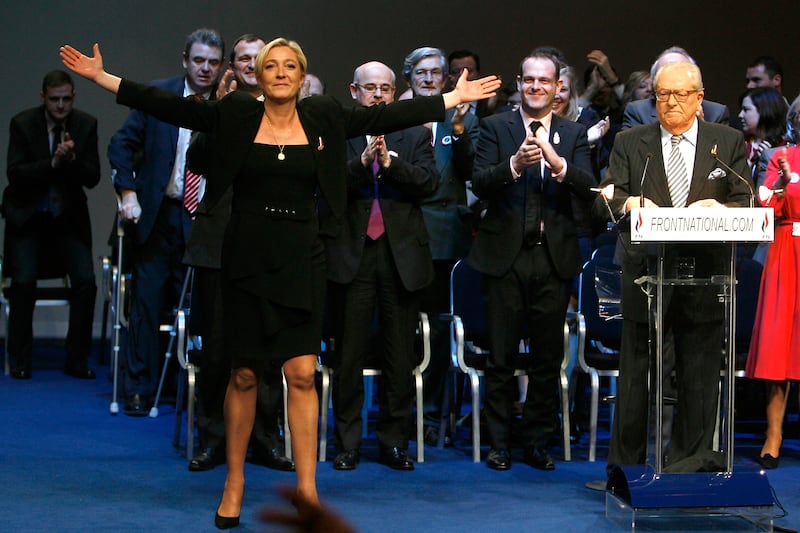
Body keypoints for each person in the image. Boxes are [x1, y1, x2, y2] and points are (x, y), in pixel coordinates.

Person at [60, 37, 499, 527]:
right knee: (245, 374)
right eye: (272, 66)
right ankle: (234, 481)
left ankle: (307, 490)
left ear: (301, 74)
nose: (282, 73)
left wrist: (454, 99)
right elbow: (166, 104)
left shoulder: (325, 116)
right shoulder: (235, 116)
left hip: (304, 256)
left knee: (303, 374)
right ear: (261, 75)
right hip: (246, 256)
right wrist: (102, 78)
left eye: (291, 66)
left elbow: (384, 118)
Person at [595, 61, 751, 473]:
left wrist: (721, 207)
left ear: (700, 98)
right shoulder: (631, 142)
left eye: (681, 94)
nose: (671, 103)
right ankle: (625, 470)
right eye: (663, 94)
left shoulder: (728, 142)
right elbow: (606, 196)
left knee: (700, 378)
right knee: (636, 380)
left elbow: (747, 200)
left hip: (706, 278)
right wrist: (628, 203)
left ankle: (690, 465)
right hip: (647, 276)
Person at [467, 47, 595, 471]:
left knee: (546, 360)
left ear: (559, 86)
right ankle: (499, 444)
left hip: (552, 259)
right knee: (501, 359)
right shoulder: (494, 127)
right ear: (518, 84)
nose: (536, 87)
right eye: (529, 80)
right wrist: (514, 165)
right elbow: (480, 184)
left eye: (545, 80)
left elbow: (590, 190)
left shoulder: (574, 134)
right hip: (504, 258)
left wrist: (559, 165)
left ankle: (537, 442)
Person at [184, 33, 293, 474]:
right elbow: (197, 160)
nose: (252, 65)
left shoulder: (288, 109)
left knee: (267, 351)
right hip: (219, 244)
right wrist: (218, 116)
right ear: (234, 65)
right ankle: (212, 438)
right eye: (244, 59)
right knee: (218, 350)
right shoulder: (221, 107)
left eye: (260, 59)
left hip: (272, 245)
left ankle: (265, 439)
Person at [107, 28, 225, 416]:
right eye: (198, 61)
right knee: (147, 300)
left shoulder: (227, 105)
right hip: (161, 214)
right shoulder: (161, 97)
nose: (205, 69)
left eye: (212, 62)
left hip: (203, 219)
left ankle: (185, 388)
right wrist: (128, 193)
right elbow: (121, 145)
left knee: (195, 306)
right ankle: (139, 387)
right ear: (185, 60)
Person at [326, 61, 436, 471]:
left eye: (385, 89)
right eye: (369, 88)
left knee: (398, 356)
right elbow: (327, 183)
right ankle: (348, 443)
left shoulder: (413, 131)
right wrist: (361, 163)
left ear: (395, 93)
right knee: (349, 355)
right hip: (351, 254)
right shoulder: (339, 131)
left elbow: (430, 184)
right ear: (353, 91)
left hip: (400, 255)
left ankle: (393, 442)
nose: (377, 95)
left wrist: (392, 164)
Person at [402, 46, 480, 446]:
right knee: (403, 331)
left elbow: (471, 173)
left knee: (437, 333)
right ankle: (398, 413)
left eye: (436, 73)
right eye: (422, 73)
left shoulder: (460, 117)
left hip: (446, 239)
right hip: (403, 237)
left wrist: (463, 132)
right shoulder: (397, 115)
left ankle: (433, 416)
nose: (430, 79)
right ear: (410, 78)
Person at [4, 70, 99, 380]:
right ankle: (19, 358)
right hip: (29, 217)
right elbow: (15, 173)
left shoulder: (85, 125)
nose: (61, 106)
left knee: (86, 281)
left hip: (67, 221)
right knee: (23, 282)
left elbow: (93, 177)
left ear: (74, 97)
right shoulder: (23, 123)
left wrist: (70, 161)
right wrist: (53, 164)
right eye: (55, 99)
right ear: (43, 97)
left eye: (67, 99)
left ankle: (76, 359)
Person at [745, 111, 800, 469]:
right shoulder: (781, 155)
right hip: (785, 253)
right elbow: (763, 206)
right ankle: (774, 434)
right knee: (777, 347)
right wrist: (780, 183)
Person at [622, 46, 729, 129]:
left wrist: (700, 129)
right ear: (655, 84)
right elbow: (631, 154)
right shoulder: (637, 112)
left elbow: (722, 156)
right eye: (666, 75)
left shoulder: (716, 113)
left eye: (680, 74)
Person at [737, 87, 788, 184]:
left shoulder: (785, 147)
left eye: (746, 110)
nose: (740, 115)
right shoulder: (741, 145)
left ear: (764, 110)